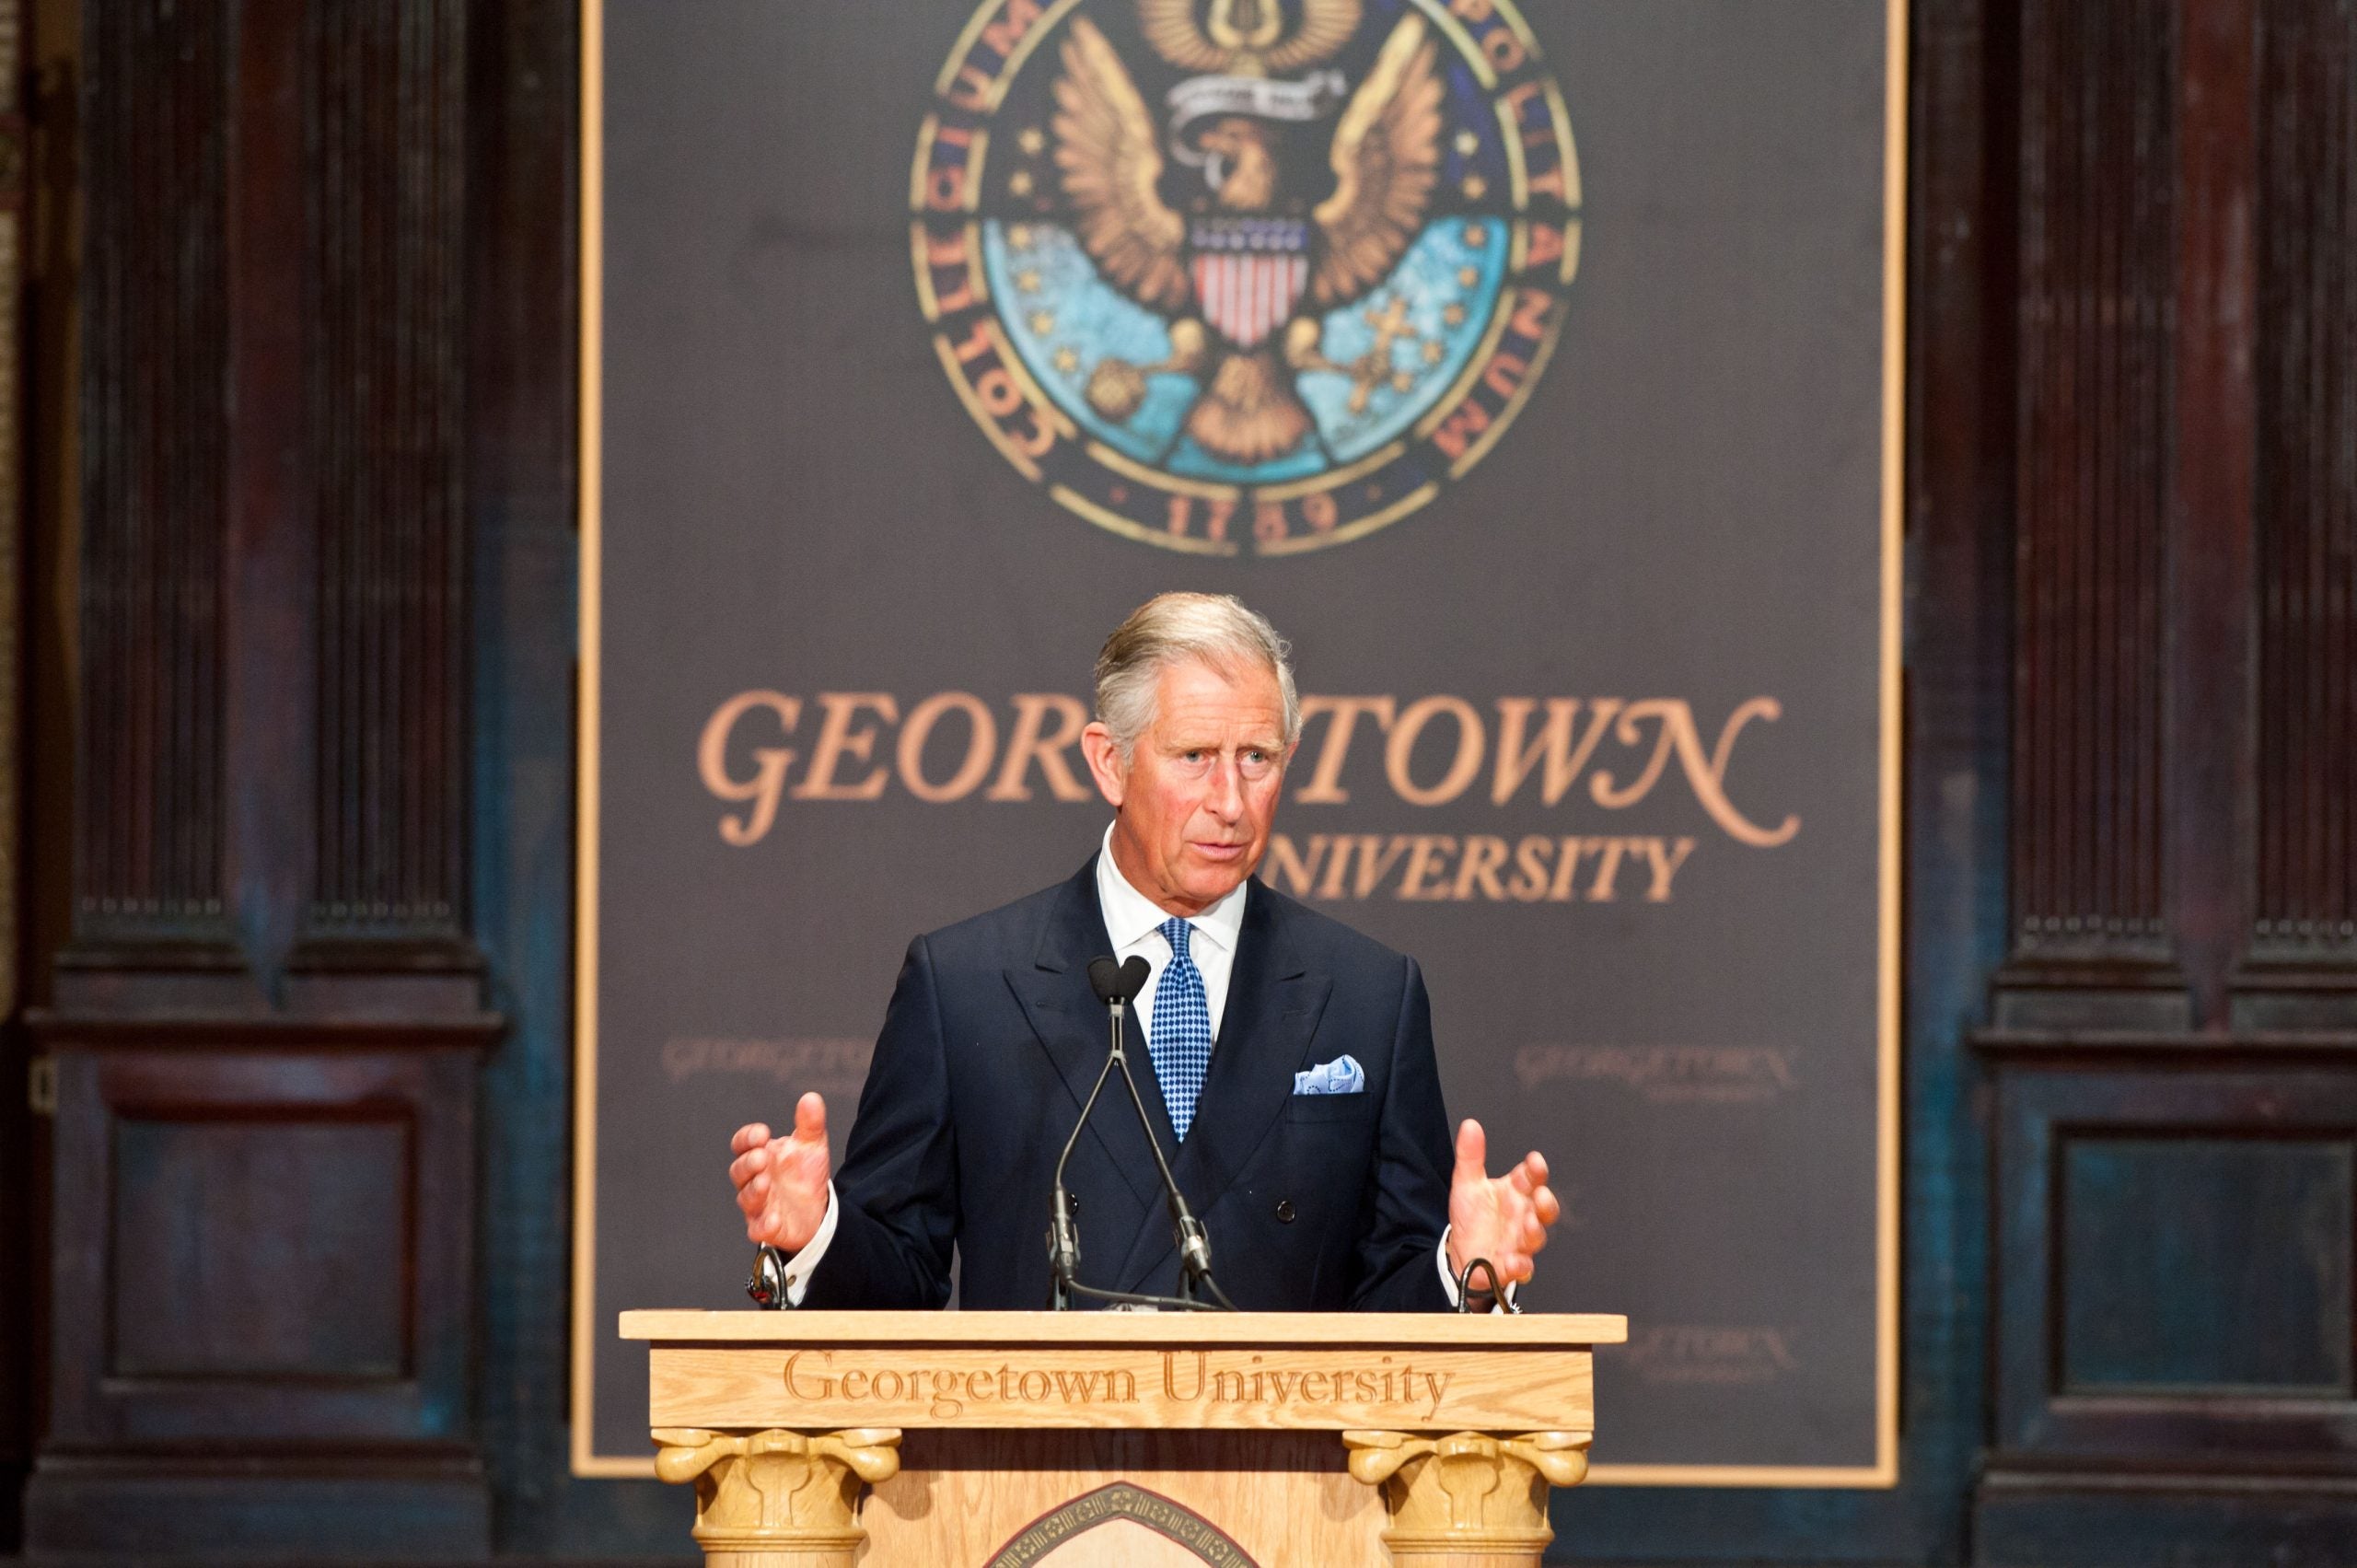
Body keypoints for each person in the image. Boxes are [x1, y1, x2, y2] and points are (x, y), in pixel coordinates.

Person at [726, 592, 1560, 1310]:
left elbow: (1391, 1311)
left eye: (1257, 759)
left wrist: (1462, 1272)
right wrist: (816, 1236)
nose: (1230, 801)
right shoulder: (967, 986)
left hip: (1288, 1485)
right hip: (1034, 1483)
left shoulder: (1371, 995)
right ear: (1110, 762)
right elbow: (897, 1286)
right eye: (1194, 756)